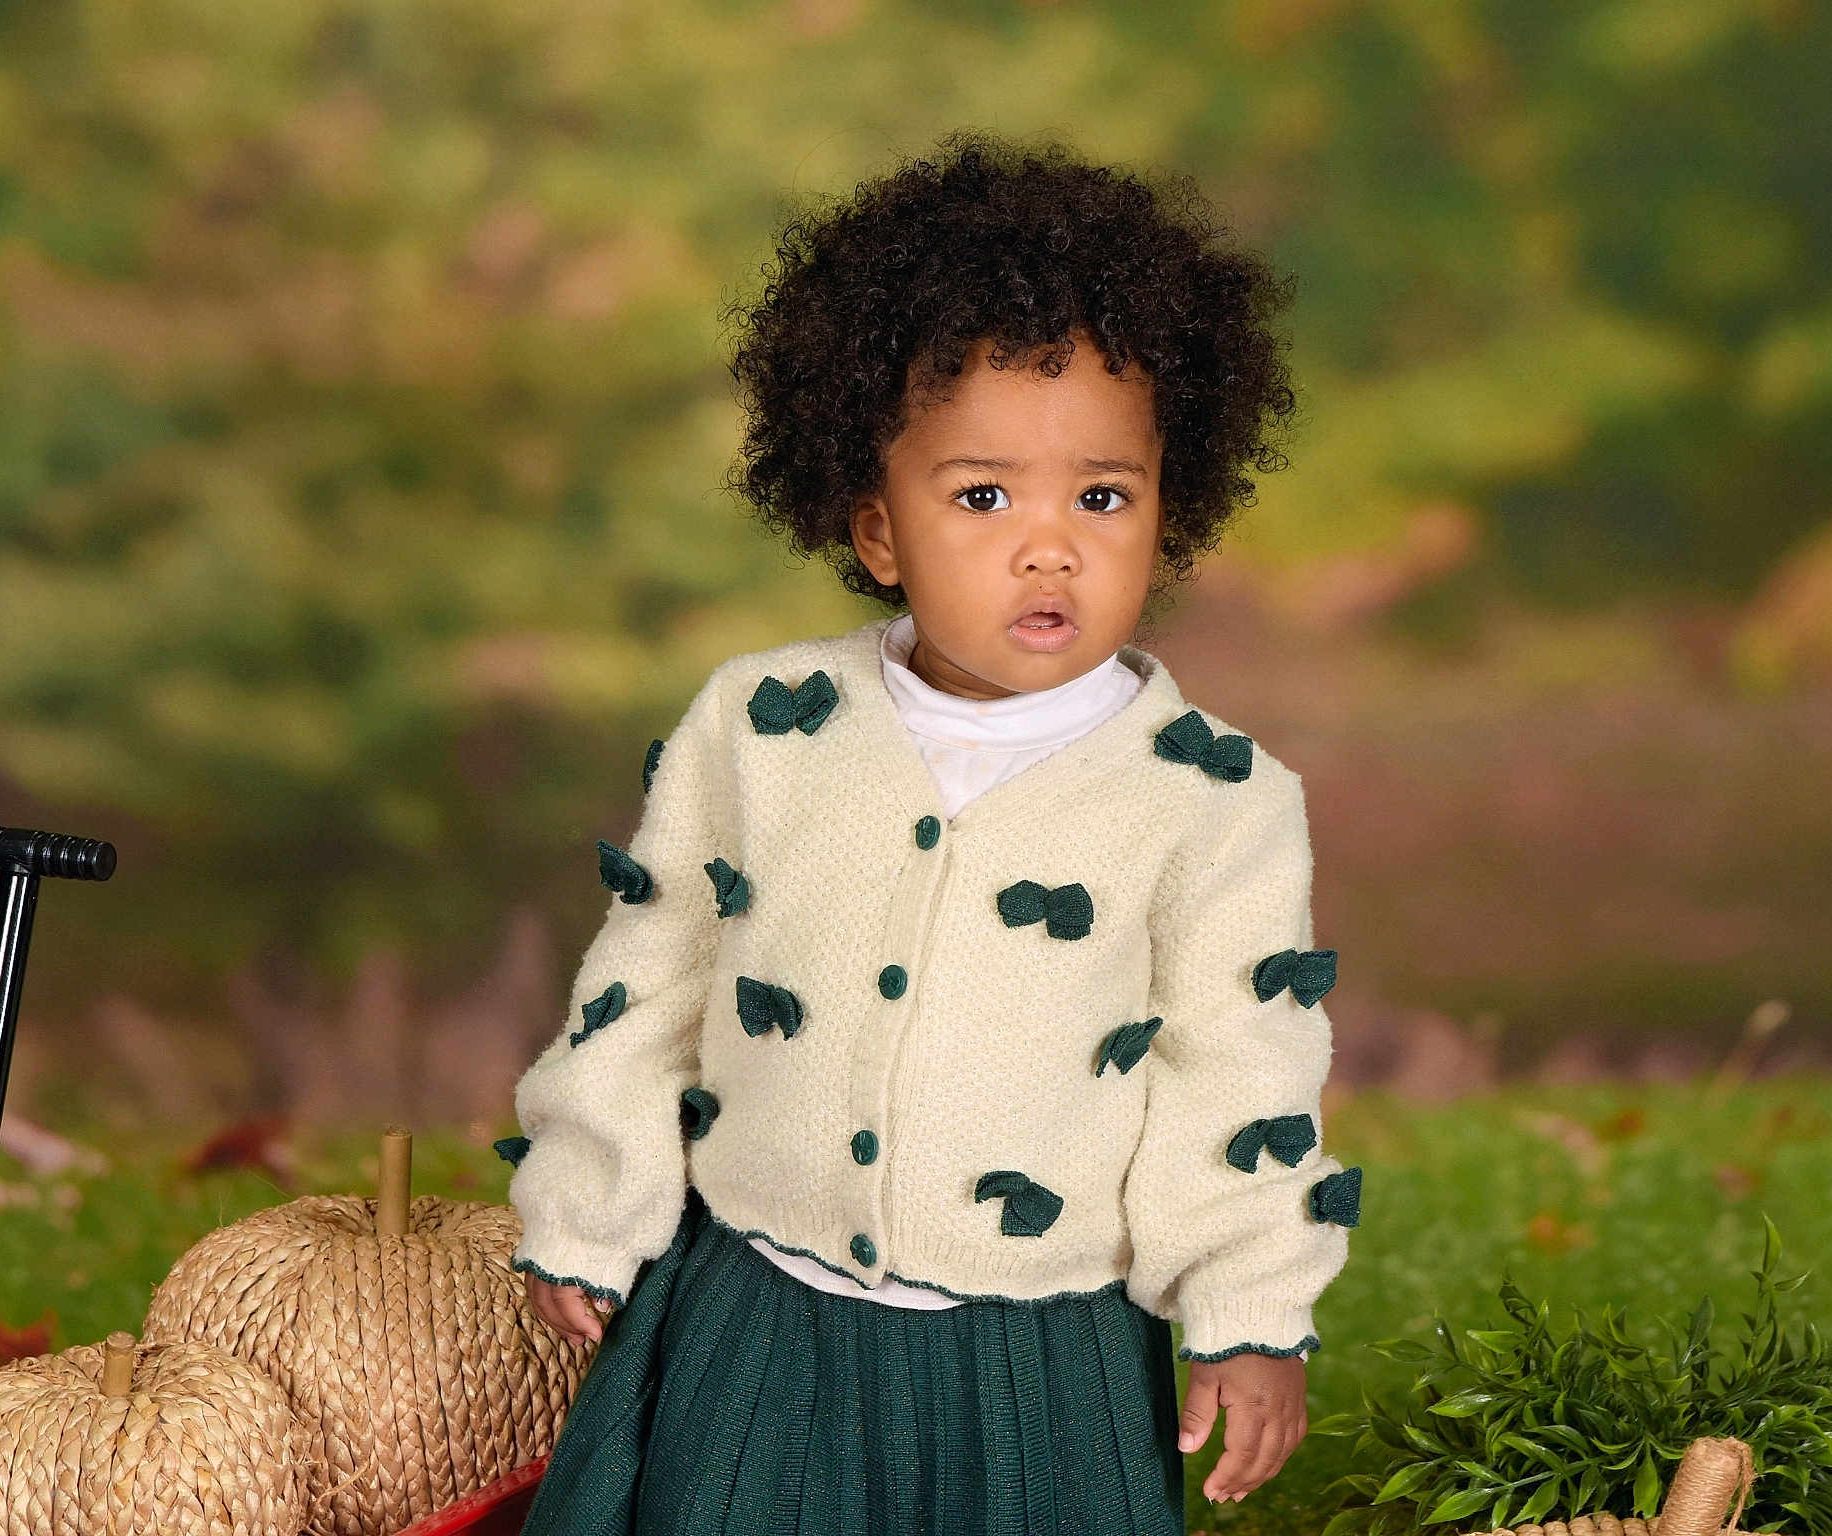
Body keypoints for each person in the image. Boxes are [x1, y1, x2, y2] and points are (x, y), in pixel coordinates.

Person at [500, 132, 1361, 1536]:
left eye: (1103, 494)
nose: (1049, 544)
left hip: (1038, 1357)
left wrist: (1249, 1311)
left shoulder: (1213, 798)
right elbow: (650, 972)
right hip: (758, 1318)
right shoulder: (760, 727)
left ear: (1172, 503)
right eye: (982, 496)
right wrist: (588, 1209)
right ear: (876, 527)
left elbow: (1240, 1067)